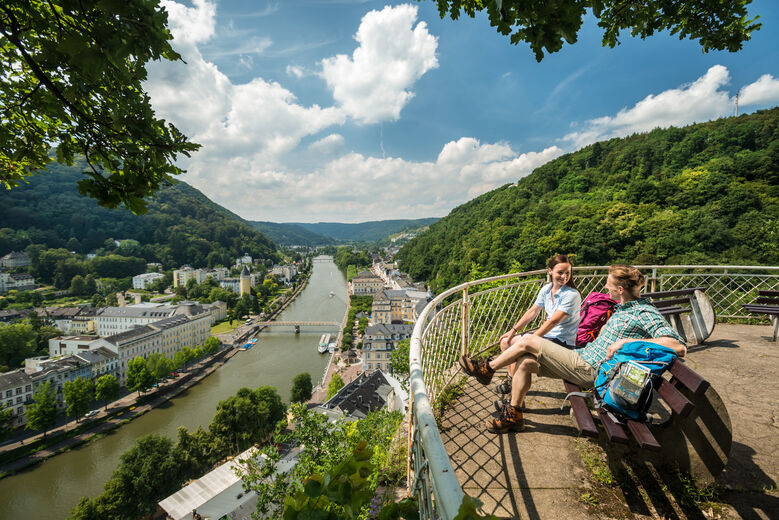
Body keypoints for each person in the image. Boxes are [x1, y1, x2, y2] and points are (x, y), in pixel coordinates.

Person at [459, 264, 686, 434]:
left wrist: (626, 343)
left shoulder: (644, 312)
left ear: (619, 289)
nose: (604, 286)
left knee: (528, 340)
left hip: (593, 370)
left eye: (608, 283)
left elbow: (677, 345)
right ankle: (513, 415)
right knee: (525, 362)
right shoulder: (624, 307)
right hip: (582, 357)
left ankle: (488, 369)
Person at [493, 255, 581, 409]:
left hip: (562, 342)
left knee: (521, 354)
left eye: (568, 273)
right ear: (550, 271)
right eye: (560, 272)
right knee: (506, 342)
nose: (565, 276)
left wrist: (530, 339)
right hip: (549, 337)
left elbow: (553, 321)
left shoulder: (572, 295)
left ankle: (511, 395)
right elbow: (533, 311)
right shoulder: (547, 289)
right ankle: (511, 382)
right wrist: (513, 331)